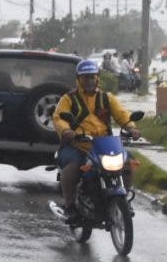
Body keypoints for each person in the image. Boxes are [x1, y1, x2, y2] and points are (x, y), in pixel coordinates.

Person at [52, 59, 141, 222]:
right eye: (85, 77)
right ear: (78, 79)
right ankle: (70, 207)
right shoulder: (68, 99)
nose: (89, 81)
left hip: (104, 145)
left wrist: (131, 127)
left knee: (129, 163)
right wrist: (67, 130)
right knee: (71, 169)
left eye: (92, 77)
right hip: (78, 145)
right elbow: (59, 118)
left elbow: (122, 115)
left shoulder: (107, 98)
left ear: (97, 78)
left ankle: (124, 199)